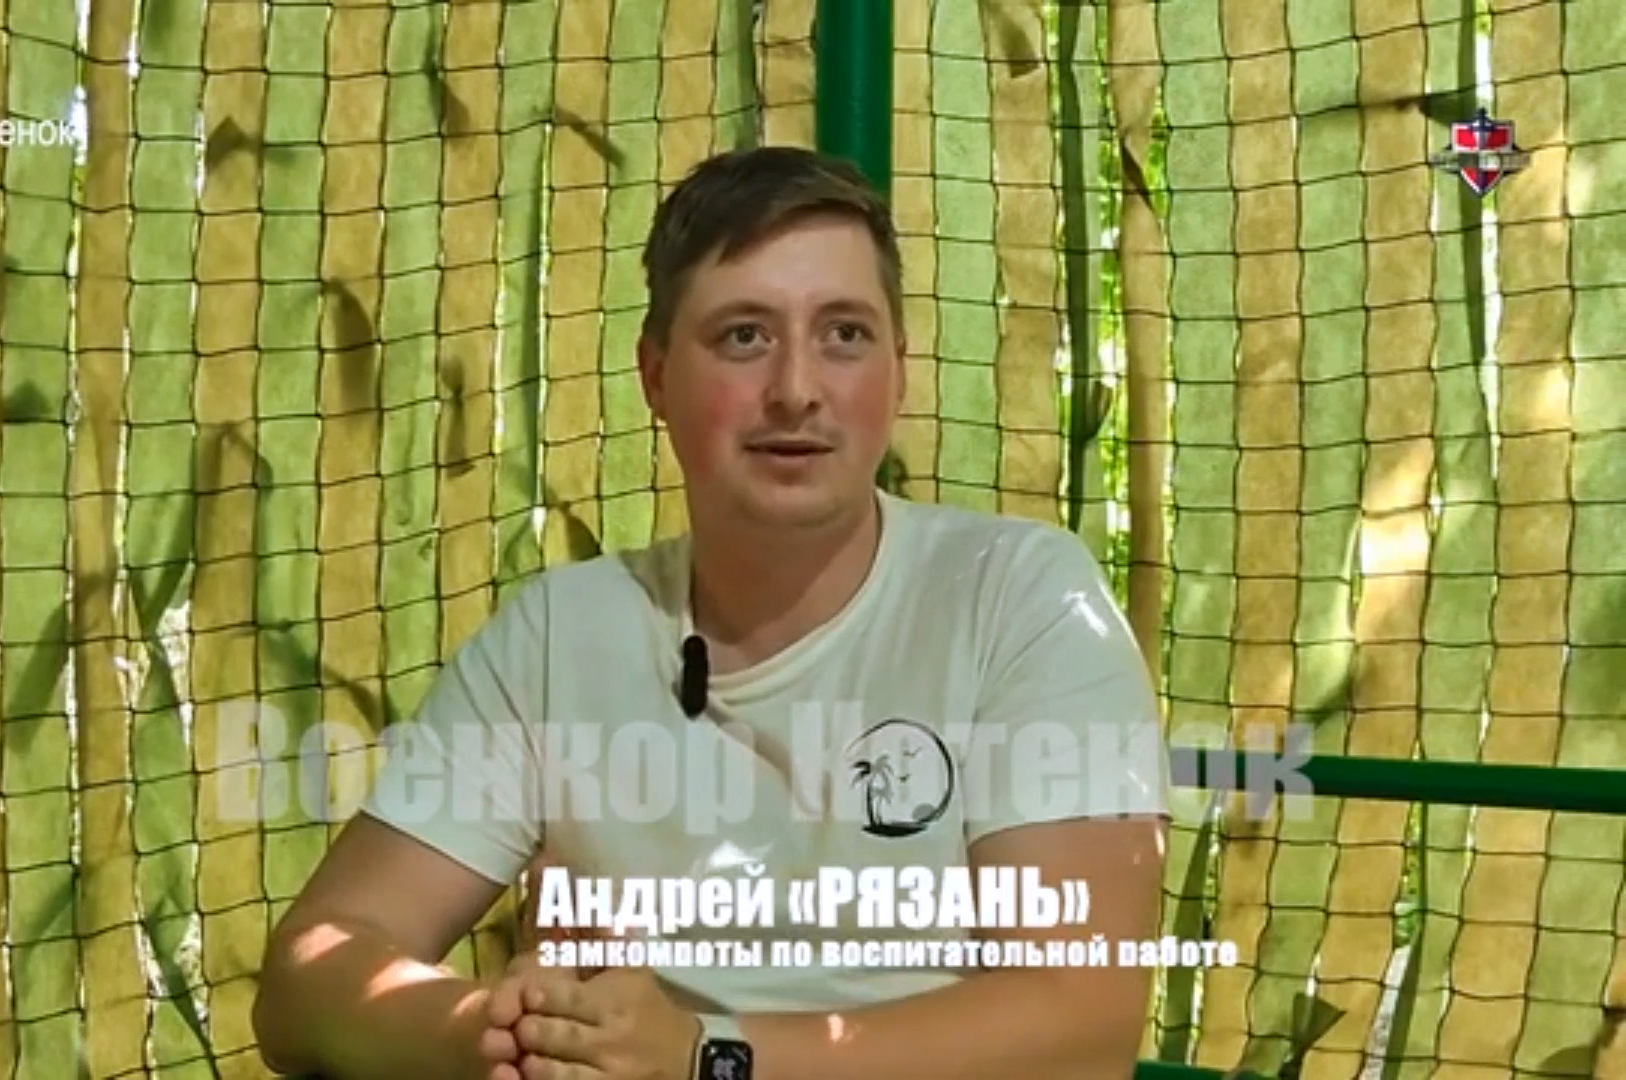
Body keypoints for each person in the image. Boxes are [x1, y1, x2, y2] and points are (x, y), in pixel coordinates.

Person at [251, 145, 1170, 1080]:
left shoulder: (1023, 597)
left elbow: (1082, 1026)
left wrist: (706, 1058)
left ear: (899, 372)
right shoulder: (563, 632)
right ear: (655, 376)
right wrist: (492, 1033)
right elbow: (308, 973)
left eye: (844, 334)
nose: (797, 389)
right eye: (744, 336)